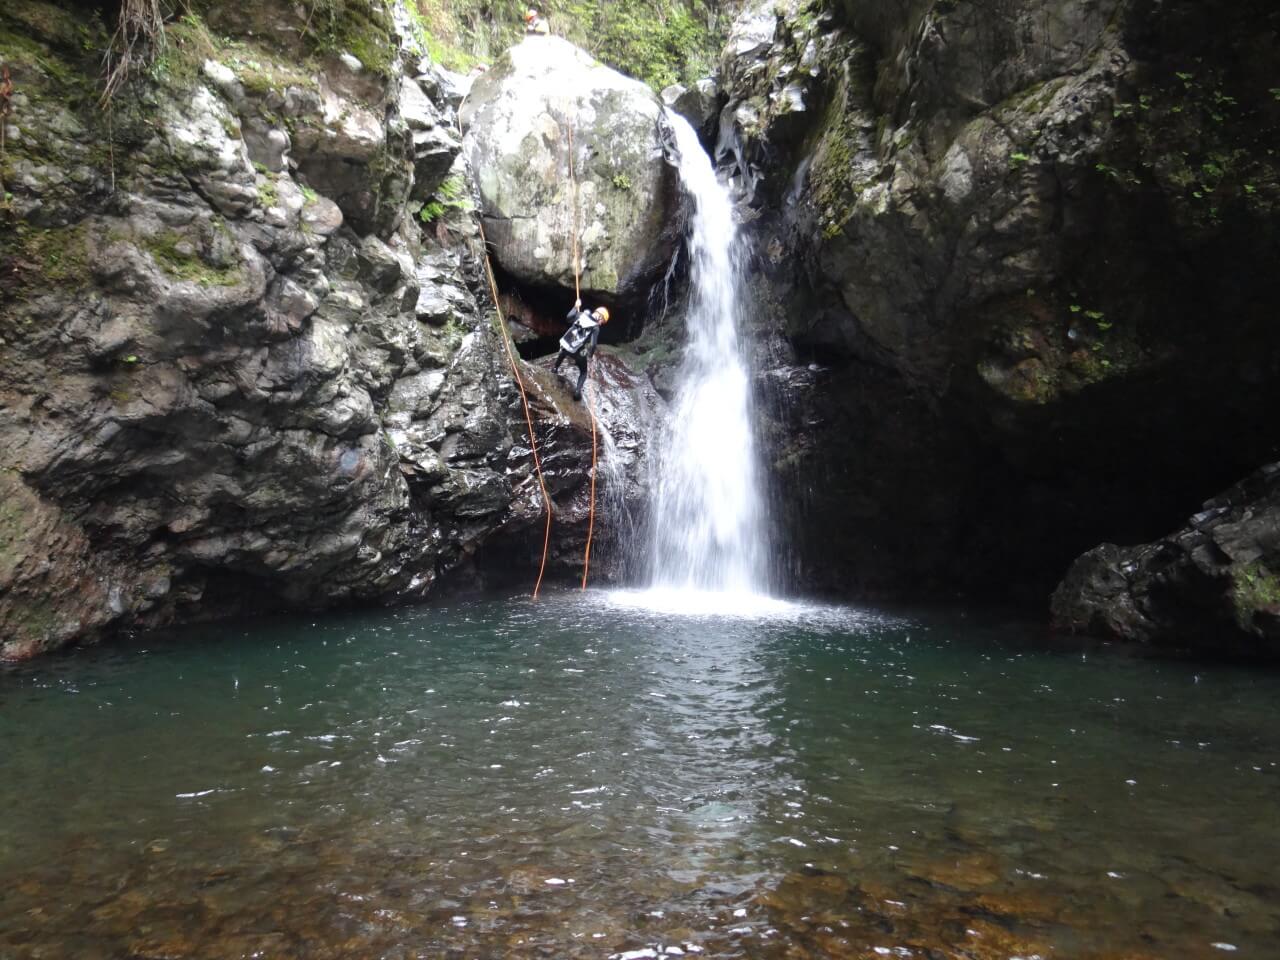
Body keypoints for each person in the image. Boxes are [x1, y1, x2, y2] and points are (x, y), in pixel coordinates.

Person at [553, 298, 609, 400]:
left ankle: (555, 368)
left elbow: (568, 318)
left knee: (563, 352)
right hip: (578, 351)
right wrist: (590, 356)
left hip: (566, 344)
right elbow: (593, 345)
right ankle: (577, 392)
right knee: (584, 372)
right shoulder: (595, 327)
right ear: (600, 317)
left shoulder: (581, 315)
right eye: (603, 321)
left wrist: (575, 307)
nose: (601, 323)